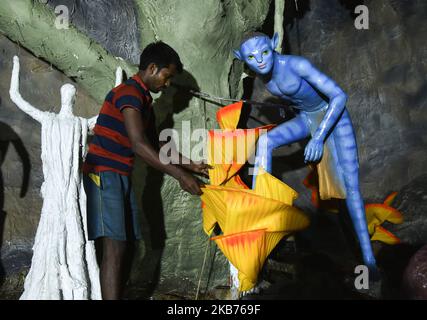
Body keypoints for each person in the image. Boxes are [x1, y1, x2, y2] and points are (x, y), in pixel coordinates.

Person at [233, 32, 379, 278]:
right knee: (265, 141)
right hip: (307, 118)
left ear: (273, 45)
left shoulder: (296, 64)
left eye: (264, 52)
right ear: (242, 59)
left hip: (332, 117)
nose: (259, 60)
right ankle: (261, 209)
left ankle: (369, 259)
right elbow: (297, 100)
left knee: (350, 186)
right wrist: (285, 111)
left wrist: (319, 137)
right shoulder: (263, 76)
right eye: (251, 57)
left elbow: (339, 95)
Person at [83, 41, 209, 300]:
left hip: (118, 174)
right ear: (152, 68)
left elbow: (156, 144)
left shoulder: (143, 100)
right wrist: (180, 175)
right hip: (104, 173)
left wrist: (191, 165)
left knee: (124, 244)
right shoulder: (129, 93)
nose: (167, 84)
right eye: (167, 76)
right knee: (115, 248)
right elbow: (140, 146)